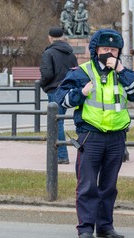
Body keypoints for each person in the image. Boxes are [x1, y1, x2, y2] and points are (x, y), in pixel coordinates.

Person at [56, 29, 134, 238]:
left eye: (114, 50)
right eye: (105, 49)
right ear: (96, 50)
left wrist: (122, 70)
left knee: (109, 186)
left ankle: (105, 226)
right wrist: (82, 93)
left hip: (116, 137)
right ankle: (85, 228)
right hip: (91, 136)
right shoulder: (82, 72)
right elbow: (62, 98)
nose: (109, 53)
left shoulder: (122, 72)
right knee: (87, 185)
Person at [39, 27, 78, 164]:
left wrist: (42, 84)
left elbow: (47, 74)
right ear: (62, 37)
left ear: (50, 37)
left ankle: (61, 155)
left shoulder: (48, 53)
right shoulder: (71, 54)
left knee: (57, 123)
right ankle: (61, 154)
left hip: (55, 90)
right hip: (69, 90)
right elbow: (75, 72)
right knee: (60, 121)